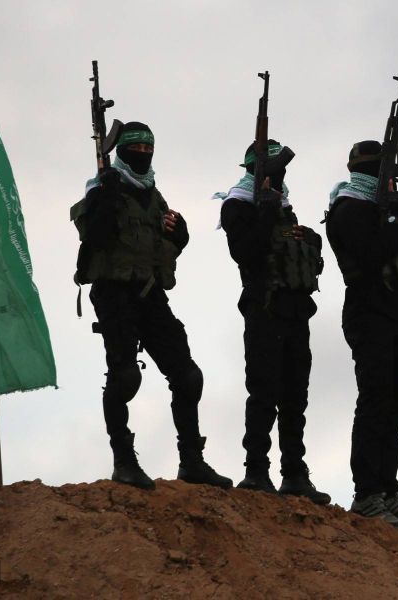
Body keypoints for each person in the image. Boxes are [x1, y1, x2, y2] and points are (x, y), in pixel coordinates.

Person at [71, 121, 231, 491]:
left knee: (188, 376)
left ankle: (192, 461)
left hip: (151, 295)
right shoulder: (100, 189)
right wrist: (108, 196)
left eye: (148, 149)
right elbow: (93, 236)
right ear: (119, 151)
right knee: (125, 376)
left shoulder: (152, 194)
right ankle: (123, 461)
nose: (142, 155)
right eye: (135, 149)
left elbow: (160, 243)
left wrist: (180, 233)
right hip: (114, 293)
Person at [214, 139, 330, 505]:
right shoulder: (238, 204)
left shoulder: (283, 207)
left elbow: (306, 260)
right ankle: (256, 470)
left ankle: (295, 473)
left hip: (296, 309)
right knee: (263, 391)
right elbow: (244, 251)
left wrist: (309, 242)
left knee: (296, 395)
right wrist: (263, 211)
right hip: (263, 307)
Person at [325, 140, 398, 527]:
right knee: (376, 402)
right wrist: (392, 225)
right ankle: (367, 494)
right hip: (370, 316)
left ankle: (387, 490)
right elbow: (369, 257)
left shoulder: (377, 212)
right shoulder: (349, 209)